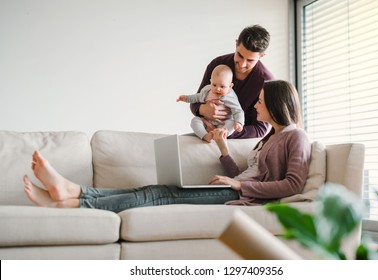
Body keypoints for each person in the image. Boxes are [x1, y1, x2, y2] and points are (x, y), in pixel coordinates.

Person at [23, 80, 311, 213]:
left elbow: (293, 185)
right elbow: (245, 175)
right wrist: (224, 151)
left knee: (159, 196)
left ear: (276, 104)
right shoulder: (270, 137)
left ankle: (72, 201)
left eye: (260, 100)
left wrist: (238, 187)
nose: (254, 104)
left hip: (248, 199)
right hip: (233, 187)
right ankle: (74, 193)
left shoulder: (296, 137)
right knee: (150, 191)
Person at [190, 24, 274, 139]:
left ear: (262, 56)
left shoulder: (266, 81)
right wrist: (202, 109)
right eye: (239, 55)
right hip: (206, 131)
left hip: (237, 139)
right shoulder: (217, 65)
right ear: (236, 44)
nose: (242, 64)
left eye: (250, 60)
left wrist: (225, 132)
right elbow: (195, 102)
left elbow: (260, 129)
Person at [177, 64, 244, 142]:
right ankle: (205, 136)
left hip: (223, 122)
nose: (217, 89)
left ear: (230, 86)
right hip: (206, 121)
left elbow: (238, 110)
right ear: (210, 81)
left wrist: (239, 123)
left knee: (231, 124)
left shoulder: (230, 96)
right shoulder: (207, 91)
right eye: (214, 85)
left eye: (222, 86)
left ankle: (220, 135)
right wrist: (186, 98)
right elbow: (197, 97)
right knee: (195, 121)